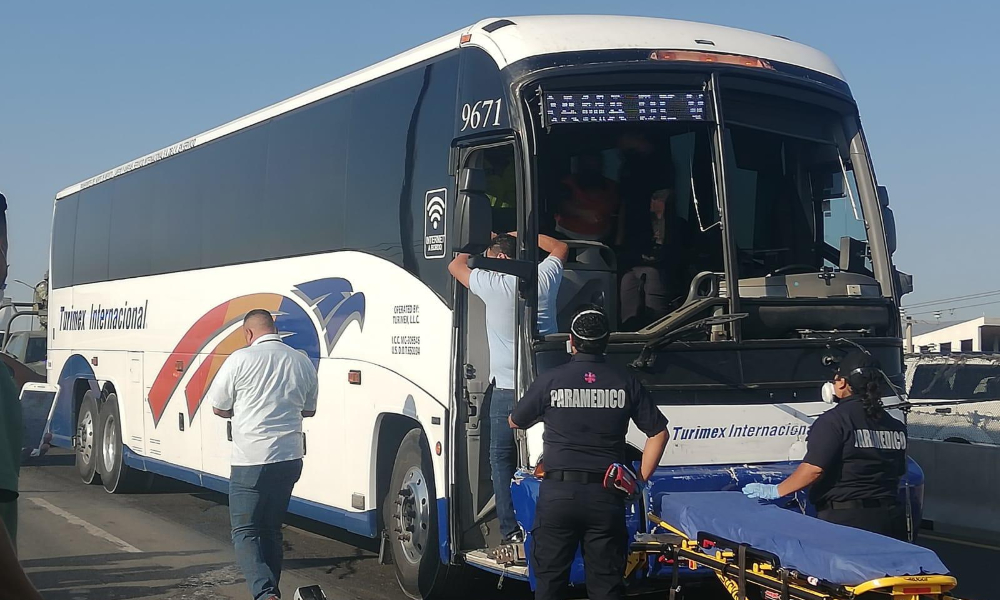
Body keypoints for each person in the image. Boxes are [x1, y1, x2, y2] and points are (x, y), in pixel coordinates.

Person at [509, 307, 670, 600]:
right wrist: (640, 482)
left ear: (571, 341)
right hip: (606, 496)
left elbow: (515, 420)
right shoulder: (625, 381)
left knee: (549, 584)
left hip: (558, 494)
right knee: (607, 586)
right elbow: (658, 433)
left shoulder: (551, 379)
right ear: (606, 341)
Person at [448, 233, 569, 546]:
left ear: (499, 259)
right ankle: (551, 524)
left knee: (501, 458)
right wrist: (519, 234)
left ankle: (510, 530)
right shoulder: (545, 277)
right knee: (552, 457)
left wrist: (484, 239)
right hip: (547, 387)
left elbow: (456, 265)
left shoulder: (493, 284)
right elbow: (560, 247)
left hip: (507, 390)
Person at [207, 309, 318, 600]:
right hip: (289, 458)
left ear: (248, 333)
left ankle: (265, 594)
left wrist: (240, 410)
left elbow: (218, 406)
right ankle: (271, 592)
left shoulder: (239, 360)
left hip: (251, 460)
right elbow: (309, 409)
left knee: (245, 531)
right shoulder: (301, 360)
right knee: (271, 530)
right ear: (274, 329)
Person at [743, 350, 908, 540]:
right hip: (890, 519)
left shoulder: (835, 421)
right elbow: (898, 470)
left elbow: (813, 470)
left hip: (847, 521)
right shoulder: (895, 425)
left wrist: (776, 490)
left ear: (842, 383)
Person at [619, 188, 677, 329]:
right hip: (635, 265)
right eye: (652, 197)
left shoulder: (677, 225)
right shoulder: (640, 224)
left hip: (661, 268)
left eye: (658, 198)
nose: (653, 201)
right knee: (628, 285)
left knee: (654, 281)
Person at [555, 152, 620, 241]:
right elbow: (562, 205)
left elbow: (618, 210)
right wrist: (583, 213)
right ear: (580, 166)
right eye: (587, 165)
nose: (592, 167)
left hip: (603, 238)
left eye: (595, 164)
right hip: (569, 236)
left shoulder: (611, 186)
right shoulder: (567, 183)